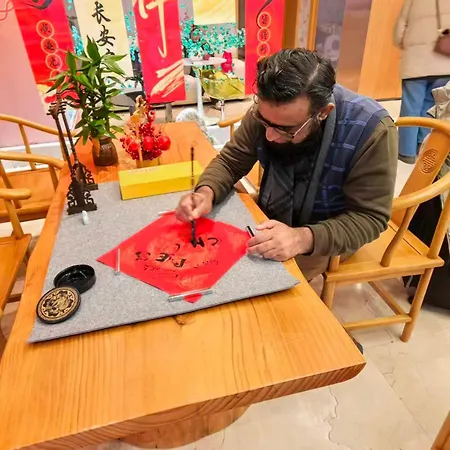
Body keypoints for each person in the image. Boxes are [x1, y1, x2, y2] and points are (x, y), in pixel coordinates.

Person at [175, 48, 398, 281]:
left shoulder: (371, 131)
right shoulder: (270, 111)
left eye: (286, 129)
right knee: (212, 258)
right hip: (273, 212)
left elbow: (369, 218)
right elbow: (231, 162)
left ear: (323, 113)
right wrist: (206, 192)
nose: (269, 135)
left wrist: (302, 238)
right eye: (264, 122)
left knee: (256, 283)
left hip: (327, 232)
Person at [394, 0, 450, 164]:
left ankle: (406, 151)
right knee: (431, 106)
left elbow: (399, 30)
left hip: (416, 61)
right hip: (444, 61)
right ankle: (422, 146)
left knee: (411, 106)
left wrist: (402, 43)